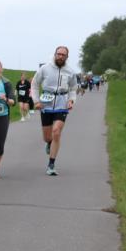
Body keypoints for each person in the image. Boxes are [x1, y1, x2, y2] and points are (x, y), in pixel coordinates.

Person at [32, 46, 78, 176]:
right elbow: (34, 84)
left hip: (61, 103)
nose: (60, 56)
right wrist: (36, 101)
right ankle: (49, 142)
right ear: (55, 54)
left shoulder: (70, 71)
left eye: (63, 55)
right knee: (47, 137)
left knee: (56, 132)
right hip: (46, 103)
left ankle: (51, 164)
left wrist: (71, 100)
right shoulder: (45, 68)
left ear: (67, 57)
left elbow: (74, 88)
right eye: (59, 54)